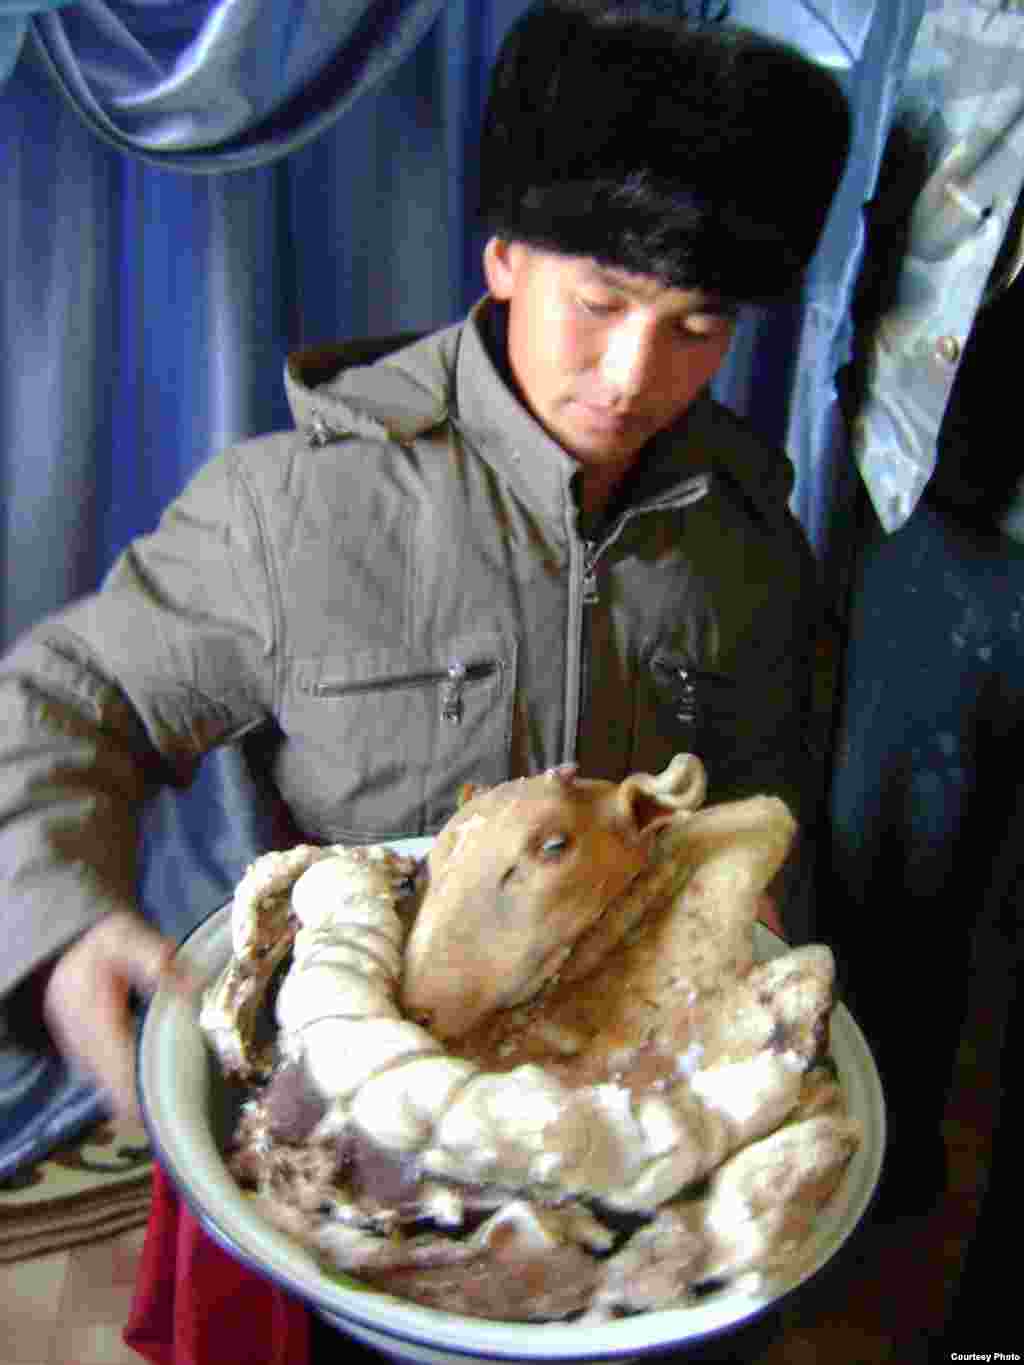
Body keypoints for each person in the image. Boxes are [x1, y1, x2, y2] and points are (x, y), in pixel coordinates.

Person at [0, 2, 850, 1135]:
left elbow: (761, 812)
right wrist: (59, 926)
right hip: (339, 1089)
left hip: (606, 1097)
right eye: (598, 305)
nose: (632, 374)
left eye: (695, 327)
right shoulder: (299, 504)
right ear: (503, 259)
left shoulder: (746, 541)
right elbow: (61, 700)